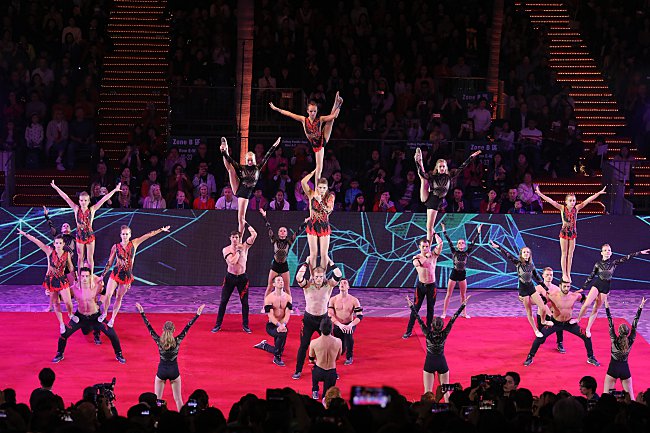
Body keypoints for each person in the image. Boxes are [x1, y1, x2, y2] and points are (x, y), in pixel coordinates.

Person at [136, 302, 204, 411]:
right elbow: (188, 327)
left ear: (163, 330)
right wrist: (197, 314)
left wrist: (142, 313)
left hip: (161, 371)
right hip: (174, 371)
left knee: (157, 401)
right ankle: (183, 418)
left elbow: (149, 327)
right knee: (178, 399)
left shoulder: (159, 341)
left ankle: (156, 420)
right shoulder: (177, 341)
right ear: (174, 331)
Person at [100, 225, 171, 327]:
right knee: (108, 295)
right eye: (123, 234)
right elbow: (109, 263)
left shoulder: (134, 243)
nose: (125, 236)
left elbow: (148, 235)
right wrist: (103, 275)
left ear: (130, 235)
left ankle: (112, 319)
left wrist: (161, 230)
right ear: (120, 235)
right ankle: (105, 313)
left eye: (127, 234)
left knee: (119, 297)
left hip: (126, 275)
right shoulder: (115, 247)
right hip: (115, 273)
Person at [572, 245, 650, 337]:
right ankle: (578, 319)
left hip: (606, 287)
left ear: (611, 253)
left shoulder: (614, 263)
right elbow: (591, 276)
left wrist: (640, 252)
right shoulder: (598, 264)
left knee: (596, 308)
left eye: (609, 250)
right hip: (597, 284)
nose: (607, 252)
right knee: (587, 304)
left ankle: (588, 328)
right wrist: (583, 287)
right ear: (602, 253)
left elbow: (627, 257)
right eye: (605, 250)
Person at [52, 267, 125, 364]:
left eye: (87, 276)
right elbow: (60, 298)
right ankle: (59, 353)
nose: (85, 279)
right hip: (80, 317)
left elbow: (110, 294)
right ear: (79, 277)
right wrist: (50, 293)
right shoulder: (74, 289)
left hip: (95, 317)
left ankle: (118, 354)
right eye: (82, 276)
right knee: (64, 334)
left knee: (112, 334)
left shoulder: (96, 287)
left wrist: (123, 289)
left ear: (90, 277)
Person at [535, 186, 607, 282]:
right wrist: (540, 194)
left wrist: (598, 194)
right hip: (564, 232)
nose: (573, 202)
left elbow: (587, 201)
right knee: (564, 253)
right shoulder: (562, 208)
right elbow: (551, 201)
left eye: (574, 200)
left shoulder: (576, 208)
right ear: (566, 201)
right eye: (570, 200)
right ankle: (564, 273)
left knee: (570, 254)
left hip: (573, 233)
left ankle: (568, 273)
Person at [522, 278, 600, 367]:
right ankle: (530, 357)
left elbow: (587, 300)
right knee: (540, 338)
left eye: (568, 286)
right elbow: (538, 302)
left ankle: (591, 357)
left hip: (569, 324)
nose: (566, 288)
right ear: (560, 286)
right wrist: (524, 298)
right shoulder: (552, 295)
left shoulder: (574, 296)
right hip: (555, 323)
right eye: (564, 286)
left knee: (586, 336)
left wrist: (598, 297)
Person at [51, 180, 121, 275]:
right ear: (79, 201)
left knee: (89, 258)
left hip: (90, 236)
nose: (83, 202)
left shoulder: (92, 209)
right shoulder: (76, 209)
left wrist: (115, 190)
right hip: (79, 236)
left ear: (88, 201)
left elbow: (104, 199)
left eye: (85, 200)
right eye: (81, 200)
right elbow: (66, 198)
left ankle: (90, 277)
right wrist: (55, 187)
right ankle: (80, 278)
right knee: (80, 258)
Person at [406, 294, 469, 400]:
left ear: (432, 326)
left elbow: (418, 318)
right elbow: (453, 318)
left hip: (429, 363)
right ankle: (450, 412)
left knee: (428, 392)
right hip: (442, 363)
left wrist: (412, 306)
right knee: (446, 392)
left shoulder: (427, 333)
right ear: (442, 327)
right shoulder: (445, 333)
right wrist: (463, 305)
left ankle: (428, 412)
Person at [269, 92, 343, 182]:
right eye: (311, 111)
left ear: (317, 111)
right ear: (307, 111)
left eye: (315, 111)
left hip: (321, 141)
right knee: (319, 167)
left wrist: (339, 105)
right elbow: (289, 114)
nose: (313, 113)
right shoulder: (304, 120)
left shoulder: (320, 119)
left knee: (330, 121)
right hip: (316, 145)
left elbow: (334, 116)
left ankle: (337, 102)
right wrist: (276, 109)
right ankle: (317, 190)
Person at [414, 148, 481, 242]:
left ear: (446, 167)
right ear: (437, 168)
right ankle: (419, 159)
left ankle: (419, 160)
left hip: (434, 201)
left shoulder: (449, 176)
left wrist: (471, 157)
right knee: (423, 178)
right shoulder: (433, 176)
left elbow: (462, 167)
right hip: (429, 197)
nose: (442, 168)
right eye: (440, 166)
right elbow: (421, 173)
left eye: (443, 166)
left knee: (429, 227)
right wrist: (417, 163)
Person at [17, 230, 76, 334]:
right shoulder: (49, 251)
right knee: (56, 303)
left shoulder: (67, 254)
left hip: (62, 279)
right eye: (56, 243)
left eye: (60, 243)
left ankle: (70, 314)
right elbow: (37, 241)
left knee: (68, 302)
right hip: (51, 280)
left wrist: (72, 270)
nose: (58, 245)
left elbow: (70, 267)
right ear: (54, 244)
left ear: (63, 244)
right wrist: (25, 234)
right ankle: (61, 324)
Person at [489, 241, 552, 337]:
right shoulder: (518, 263)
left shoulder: (531, 266)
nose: (526, 254)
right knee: (529, 312)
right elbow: (508, 255)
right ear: (521, 254)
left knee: (543, 307)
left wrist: (546, 288)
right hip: (523, 290)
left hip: (531, 288)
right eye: (524, 252)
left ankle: (543, 321)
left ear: (530, 255)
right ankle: (536, 330)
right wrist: (498, 247)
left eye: (528, 252)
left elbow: (538, 278)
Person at [292, 261, 343, 380]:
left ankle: (332, 370)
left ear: (324, 276)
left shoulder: (328, 285)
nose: (319, 279)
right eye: (316, 276)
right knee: (304, 345)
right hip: (309, 319)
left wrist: (330, 263)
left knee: (329, 344)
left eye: (321, 276)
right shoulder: (308, 286)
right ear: (313, 277)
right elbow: (299, 277)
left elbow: (338, 275)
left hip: (323, 320)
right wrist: (306, 263)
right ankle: (298, 370)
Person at [220, 136, 281, 234]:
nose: (249, 162)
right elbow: (230, 160)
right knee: (231, 169)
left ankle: (240, 238)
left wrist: (274, 145)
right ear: (245, 160)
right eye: (248, 160)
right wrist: (224, 153)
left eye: (251, 160)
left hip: (244, 194)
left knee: (241, 218)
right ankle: (224, 148)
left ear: (254, 160)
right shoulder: (242, 168)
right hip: (239, 188)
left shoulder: (258, 168)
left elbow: (267, 155)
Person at [211, 224, 258, 334]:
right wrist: (238, 251)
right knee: (223, 301)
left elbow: (254, 234)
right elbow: (232, 262)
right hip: (230, 278)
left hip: (242, 278)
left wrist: (246, 224)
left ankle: (245, 325)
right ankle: (218, 325)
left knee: (245, 303)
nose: (235, 239)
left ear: (239, 238)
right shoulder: (226, 249)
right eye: (233, 237)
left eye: (237, 237)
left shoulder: (245, 246)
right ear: (230, 238)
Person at [603, 297, 645, 399]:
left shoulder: (614, 340)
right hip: (625, 369)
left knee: (606, 398)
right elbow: (635, 325)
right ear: (627, 333)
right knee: (631, 398)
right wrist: (640, 307)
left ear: (619, 331)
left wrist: (606, 306)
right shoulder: (630, 341)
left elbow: (610, 323)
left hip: (613, 368)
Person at [259, 208, 307, 298]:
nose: (282, 232)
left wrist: (304, 222)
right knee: (269, 287)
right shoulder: (274, 240)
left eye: (284, 231)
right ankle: (265, 305)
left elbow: (298, 231)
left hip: (284, 266)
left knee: (287, 288)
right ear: (278, 233)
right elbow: (268, 227)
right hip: (275, 266)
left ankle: (289, 306)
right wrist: (264, 216)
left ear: (286, 234)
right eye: (280, 230)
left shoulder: (289, 241)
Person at [403, 236, 443, 339]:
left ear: (429, 246)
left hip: (432, 286)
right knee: (415, 309)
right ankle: (409, 330)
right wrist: (426, 256)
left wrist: (435, 234)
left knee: (430, 309)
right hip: (421, 286)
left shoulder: (434, 255)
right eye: (423, 246)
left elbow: (440, 244)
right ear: (419, 247)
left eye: (427, 246)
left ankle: (429, 330)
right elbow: (417, 264)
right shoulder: (416, 257)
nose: (425, 248)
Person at [440, 223, 482, 319]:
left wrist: (478, 232)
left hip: (462, 274)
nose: (461, 244)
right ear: (457, 245)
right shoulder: (454, 252)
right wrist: (444, 230)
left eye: (462, 243)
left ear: (465, 245)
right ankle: (444, 313)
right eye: (459, 243)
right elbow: (448, 240)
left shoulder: (467, 252)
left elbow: (473, 243)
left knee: (463, 295)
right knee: (449, 294)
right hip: (454, 273)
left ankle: (464, 312)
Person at [253, 275, 292, 366]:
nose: (281, 282)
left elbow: (288, 313)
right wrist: (279, 325)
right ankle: (277, 358)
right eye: (278, 280)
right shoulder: (269, 298)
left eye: (282, 280)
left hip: (283, 325)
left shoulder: (288, 297)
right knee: (281, 335)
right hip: (272, 325)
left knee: (280, 348)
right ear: (274, 284)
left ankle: (264, 345)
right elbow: (270, 315)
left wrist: (284, 324)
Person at [301, 168, 335, 271]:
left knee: (324, 254)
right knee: (313, 253)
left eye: (324, 188)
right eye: (320, 187)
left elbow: (328, 211)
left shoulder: (330, 197)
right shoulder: (312, 194)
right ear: (317, 187)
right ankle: (312, 277)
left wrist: (320, 202)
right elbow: (303, 182)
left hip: (324, 225)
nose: (322, 190)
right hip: (312, 225)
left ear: (327, 188)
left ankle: (322, 276)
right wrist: (313, 172)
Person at [328, 279, 363, 365]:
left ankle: (349, 356)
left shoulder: (354, 300)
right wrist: (339, 325)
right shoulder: (333, 299)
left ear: (348, 287)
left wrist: (351, 325)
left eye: (344, 283)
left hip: (349, 324)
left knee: (348, 335)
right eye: (340, 283)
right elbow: (330, 315)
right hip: (337, 324)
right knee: (341, 348)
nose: (342, 284)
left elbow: (359, 316)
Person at [308, 316, 342, 400]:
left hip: (319, 371)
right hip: (331, 372)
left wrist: (316, 361)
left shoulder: (314, 342)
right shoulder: (338, 341)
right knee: (327, 395)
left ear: (320, 328)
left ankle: (315, 390)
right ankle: (325, 398)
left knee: (314, 370)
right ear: (331, 328)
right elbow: (338, 357)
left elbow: (311, 359)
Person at [43, 206, 76, 287]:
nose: (65, 226)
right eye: (63, 226)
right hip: (58, 262)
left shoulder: (74, 238)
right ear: (61, 230)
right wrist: (46, 216)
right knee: (55, 281)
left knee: (73, 284)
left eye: (67, 226)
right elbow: (51, 226)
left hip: (69, 261)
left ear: (70, 229)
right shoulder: (58, 237)